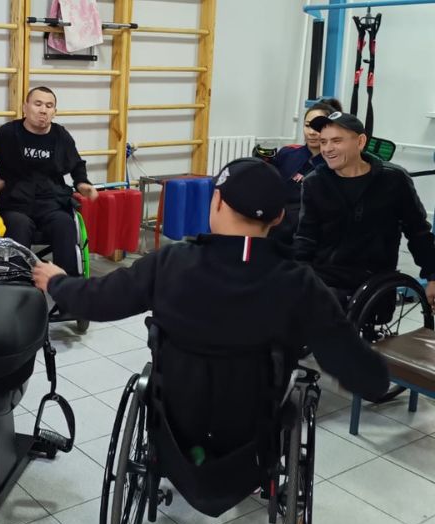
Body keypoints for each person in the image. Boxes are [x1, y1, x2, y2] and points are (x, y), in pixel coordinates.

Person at [33, 158, 389, 412]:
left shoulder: (170, 263)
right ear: (280, 217)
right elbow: (366, 377)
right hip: (253, 432)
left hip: (176, 419)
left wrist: (58, 282)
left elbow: (99, 302)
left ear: (216, 201)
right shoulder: (300, 283)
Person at [294, 112, 435, 307]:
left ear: (360, 142)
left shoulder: (393, 180)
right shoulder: (314, 183)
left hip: (374, 281)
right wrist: (297, 277)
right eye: (323, 142)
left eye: (336, 141)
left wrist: (432, 275)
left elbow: (418, 231)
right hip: (326, 278)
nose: (327, 149)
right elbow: (306, 238)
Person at [0, 86, 98, 276]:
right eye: (38, 104)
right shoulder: (8, 133)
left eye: (49, 106)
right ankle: (18, 284)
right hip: (16, 204)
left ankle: (67, 286)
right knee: (18, 226)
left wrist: (82, 183)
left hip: (52, 203)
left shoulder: (61, 136)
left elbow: (76, 164)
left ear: (54, 112)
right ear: (25, 107)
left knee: (65, 224)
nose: (43, 110)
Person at [268, 98, 343, 244]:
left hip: (309, 235)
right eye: (308, 126)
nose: (312, 132)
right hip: (276, 227)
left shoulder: (336, 165)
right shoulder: (287, 154)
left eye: (318, 127)